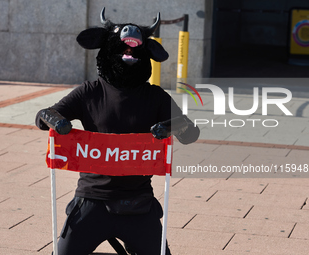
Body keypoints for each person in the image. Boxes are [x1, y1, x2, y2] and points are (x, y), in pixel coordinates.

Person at [35, 8, 199, 255]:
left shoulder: (155, 97)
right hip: (91, 198)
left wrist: (173, 126)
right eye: (123, 49)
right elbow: (41, 116)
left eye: (135, 50)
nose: (129, 53)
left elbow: (191, 134)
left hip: (138, 202)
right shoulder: (89, 92)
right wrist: (55, 121)